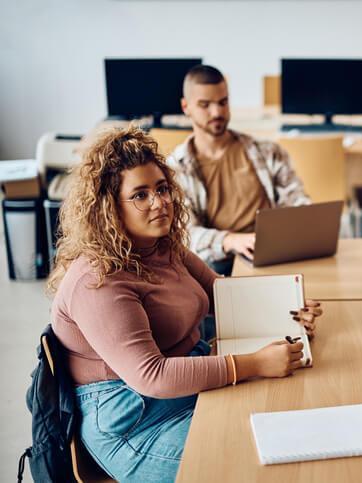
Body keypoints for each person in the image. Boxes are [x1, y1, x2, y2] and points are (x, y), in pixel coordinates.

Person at [48, 127, 321, 482]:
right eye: (140, 195)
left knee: (286, 427)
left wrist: (290, 309)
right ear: (108, 208)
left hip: (185, 385)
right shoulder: (98, 280)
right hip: (134, 423)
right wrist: (253, 364)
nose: (160, 202)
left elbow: (222, 295)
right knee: (251, 461)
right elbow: (152, 377)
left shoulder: (162, 246)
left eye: (162, 189)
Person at [166, 65, 310, 274]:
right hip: (218, 260)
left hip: (272, 253)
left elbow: (297, 200)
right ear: (186, 107)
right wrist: (230, 240)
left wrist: (302, 223)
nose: (217, 112)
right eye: (205, 105)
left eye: (223, 102)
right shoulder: (175, 168)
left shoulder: (267, 152)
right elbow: (184, 233)